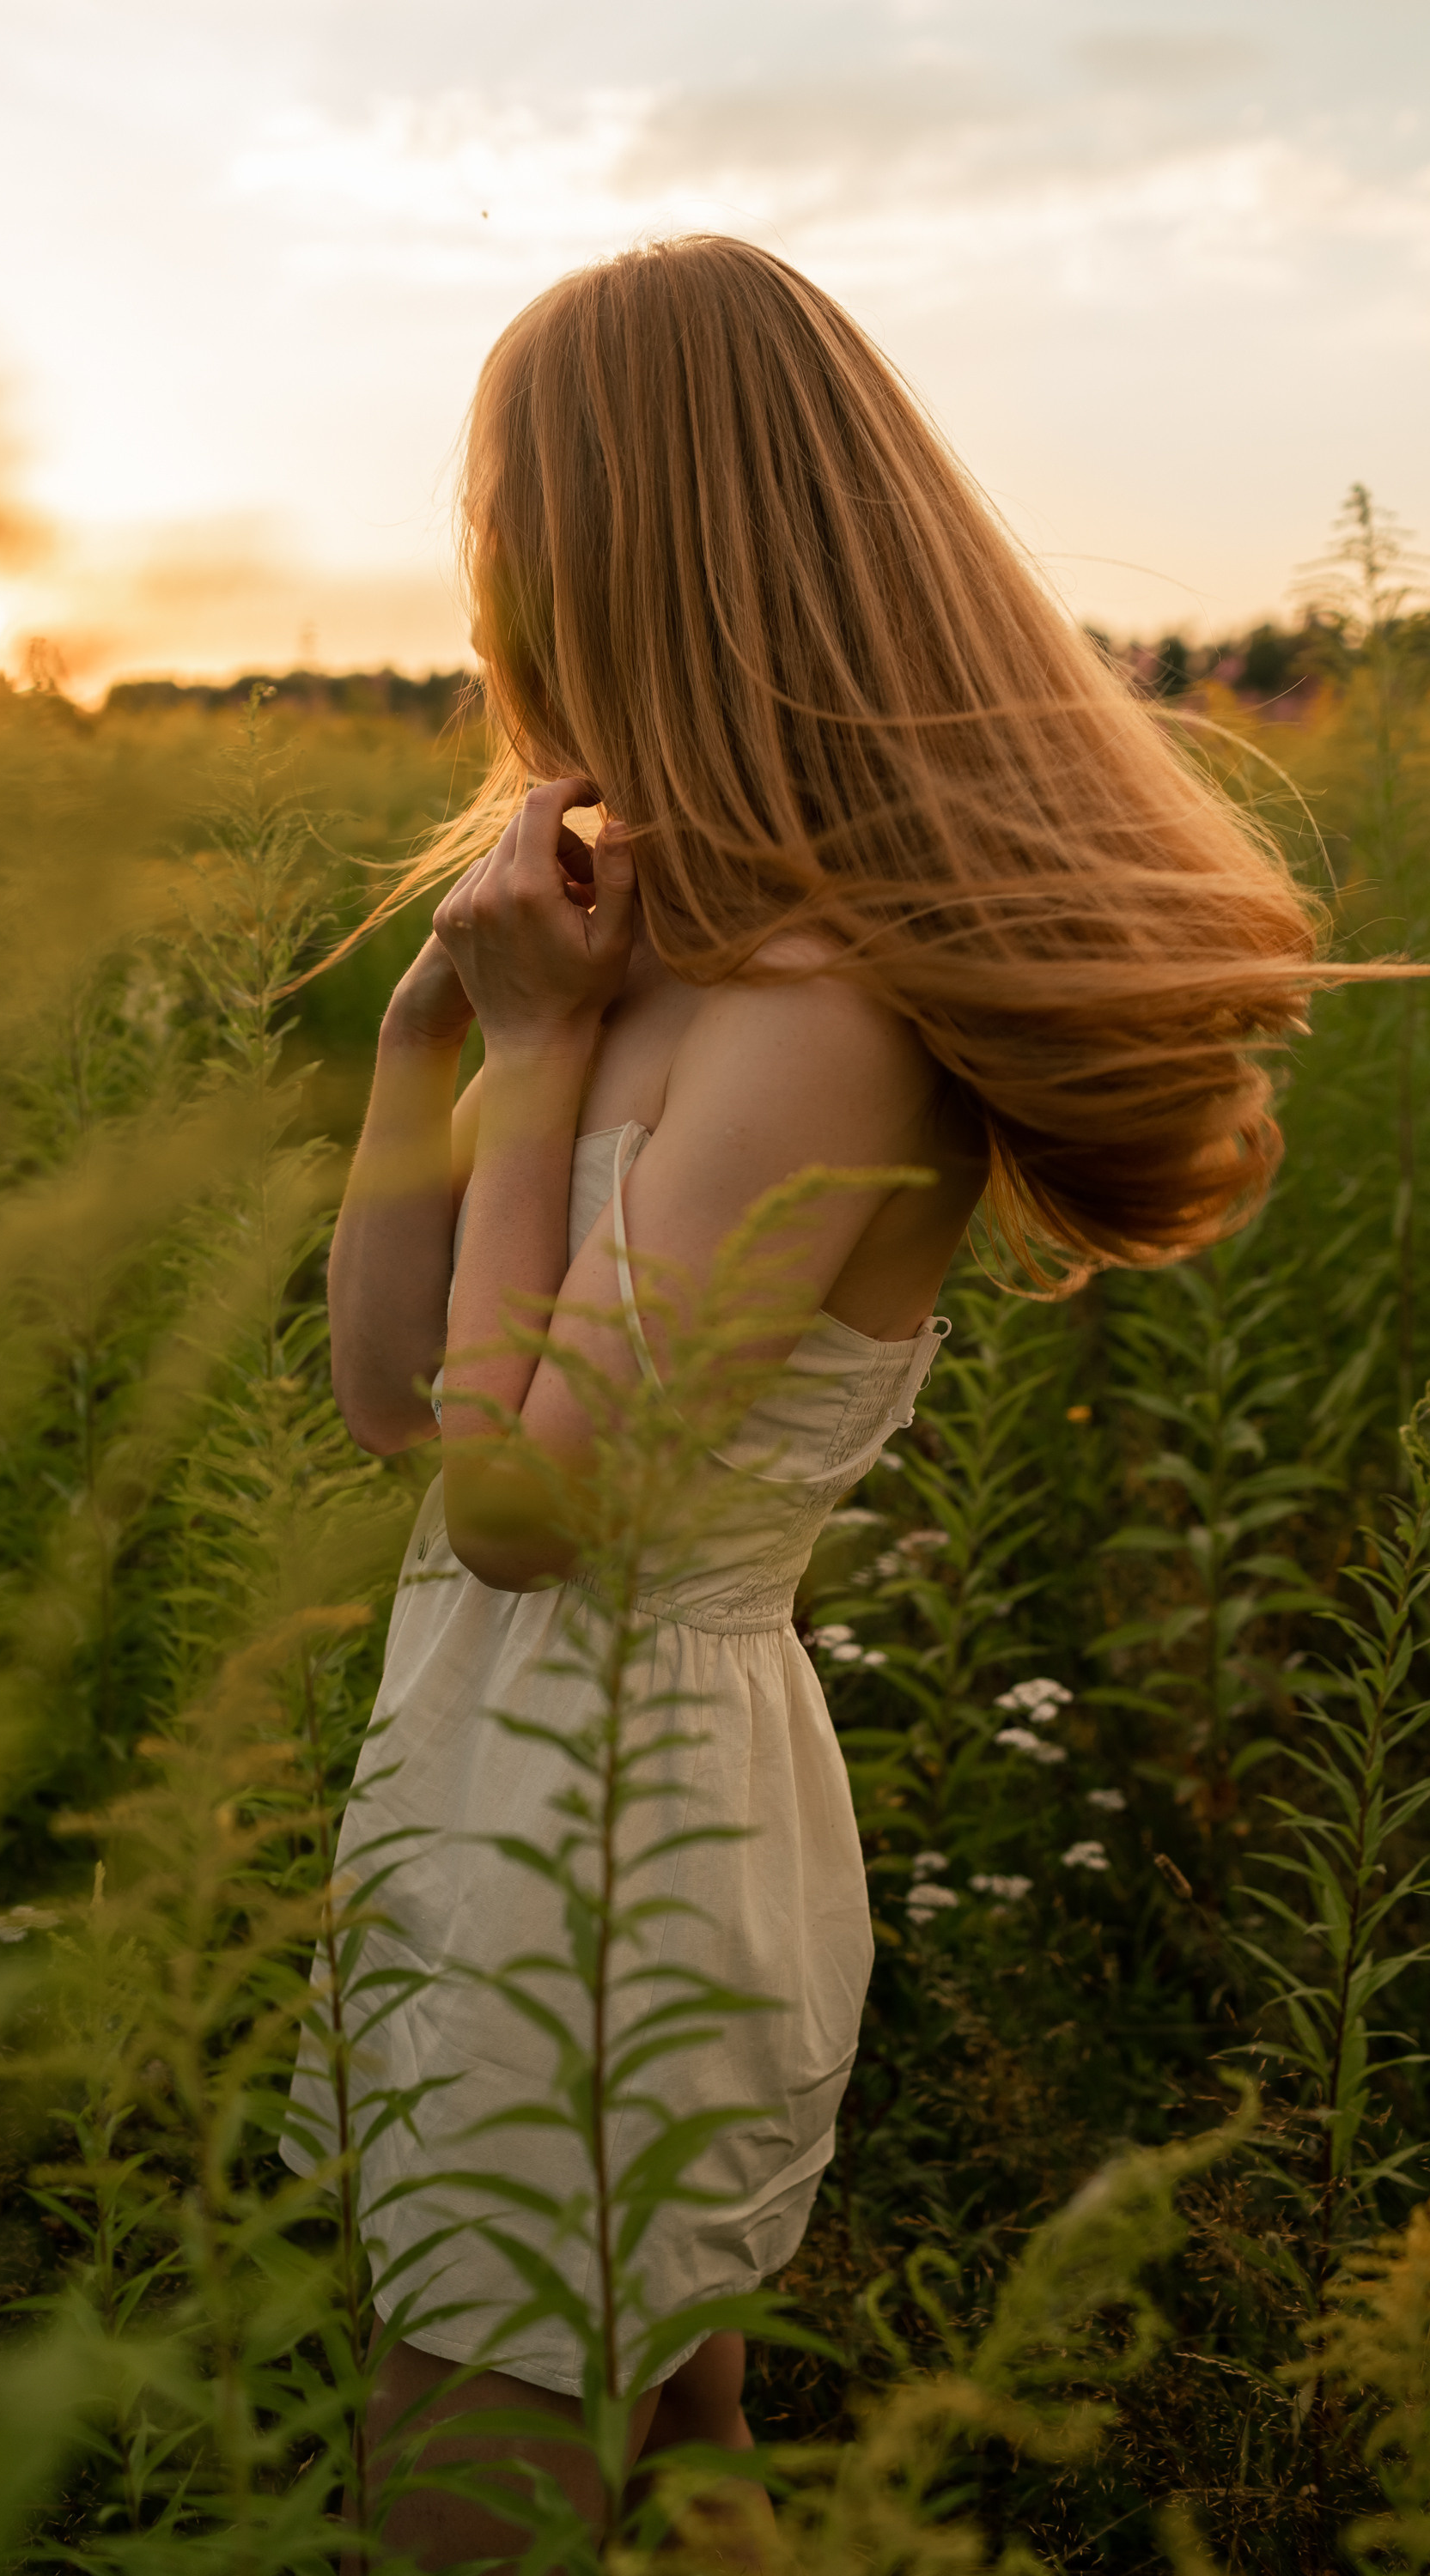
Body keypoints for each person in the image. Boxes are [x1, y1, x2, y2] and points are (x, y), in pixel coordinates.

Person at [283, 235, 1324, 2566]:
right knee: (664, 2440)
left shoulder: (814, 1017)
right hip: (500, 1773)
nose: (489, 569)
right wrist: (431, 1043)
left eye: (507, 510)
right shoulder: (643, 957)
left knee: (464, 2480)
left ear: (616, 539)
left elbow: (534, 1502)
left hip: (619, 1846)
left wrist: (543, 1065)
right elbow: (389, 1412)